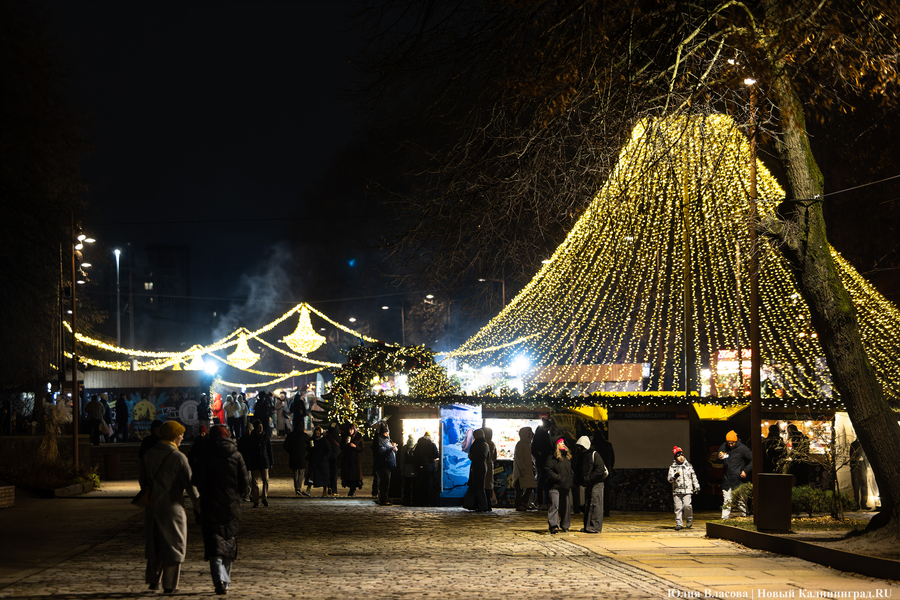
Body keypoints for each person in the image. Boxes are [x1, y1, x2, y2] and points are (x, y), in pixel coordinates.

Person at [139, 420, 199, 594]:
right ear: (173, 436)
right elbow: (189, 483)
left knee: (155, 544)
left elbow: (143, 482)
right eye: (180, 434)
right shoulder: (178, 457)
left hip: (152, 507)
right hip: (173, 508)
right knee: (173, 546)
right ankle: (169, 584)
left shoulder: (149, 455)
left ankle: (152, 580)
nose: (182, 437)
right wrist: (197, 502)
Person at [192, 425, 250, 595]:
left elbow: (197, 479)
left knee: (214, 543)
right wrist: (236, 496)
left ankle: (220, 580)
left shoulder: (205, 455)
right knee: (229, 542)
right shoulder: (236, 455)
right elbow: (244, 483)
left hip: (210, 504)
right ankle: (225, 579)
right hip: (231, 506)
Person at [576, 435, 607, 533]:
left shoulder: (594, 454)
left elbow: (600, 470)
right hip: (590, 483)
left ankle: (595, 527)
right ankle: (588, 526)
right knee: (589, 504)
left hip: (597, 483)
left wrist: (588, 479)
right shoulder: (583, 456)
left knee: (595, 504)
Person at [719, 430, 752, 519]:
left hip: (738, 479)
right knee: (727, 500)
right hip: (727, 480)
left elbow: (753, 459)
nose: (731, 445)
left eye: (732, 443)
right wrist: (719, 457)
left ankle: (745, 517)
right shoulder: (724, 446)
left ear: (736, 441)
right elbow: (717, 457)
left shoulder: (742, 448)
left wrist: (745, 470)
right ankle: (724, 518)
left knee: (741, 500)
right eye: (729, 443)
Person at [544, 437, 574, 534]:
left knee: (566, 507)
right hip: (555, 486)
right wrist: (558, 477)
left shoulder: (568, 458)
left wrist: (570, 478)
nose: (563, 444)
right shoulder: (552, 458)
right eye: (561, 442)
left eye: (563, 442)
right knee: (554, 505)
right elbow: (548, 471)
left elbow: (571, 471)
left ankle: (565, 525)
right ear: (556, 445)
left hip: (565, 486)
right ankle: (554, 525)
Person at [667, 445, 700, 531]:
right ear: (675, 457)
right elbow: (669, 479)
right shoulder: (672, 467)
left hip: (687, 490)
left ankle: (689, 520)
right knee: (678, 508)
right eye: (678, 456)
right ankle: (679, 523)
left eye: (682, 455)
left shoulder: (688, 466)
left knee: (687, 506)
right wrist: (675, 476)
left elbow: (693, 476)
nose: (681, 457)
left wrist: (696, 486)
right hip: (677, 491)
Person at [246, 421, 273, 508]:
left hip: (264, 461)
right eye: (259, 426)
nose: (261, 428)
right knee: (255, 482)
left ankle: (264, 497)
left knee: (266, 480)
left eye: (262, 426)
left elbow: (269, 449)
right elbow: (249, 451)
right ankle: (256, 499)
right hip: (255, 462)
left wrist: (270, 461)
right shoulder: (252, 437)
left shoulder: (265, 436)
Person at [463, 429, 490, 512]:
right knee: (479, 486)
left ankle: (479, 505)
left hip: (476, 466)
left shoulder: (475, 444)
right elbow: (487, 456)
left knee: (476, 486)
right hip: (481, 466)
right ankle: (481, 505)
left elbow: (471, 456)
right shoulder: (484, 444)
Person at [372, 421, 397, 506]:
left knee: (385, 482)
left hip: (386, 464)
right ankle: (383, 499)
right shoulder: (380, 440)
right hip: (383, 464)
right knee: (384, 482)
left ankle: (384, 498)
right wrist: (391, 448)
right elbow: (381, 451)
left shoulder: (384, 439)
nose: (387, 434)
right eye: (386, 432)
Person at [513, 427, 537, 511]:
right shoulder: (520, 444)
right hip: (521, 470)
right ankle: (519, 503)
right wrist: (522, 468)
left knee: (530, 485)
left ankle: (524, 501)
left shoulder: (527, 445)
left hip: (527, 469)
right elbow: (519, 457)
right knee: (519, 487)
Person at [284, 421, 311, 496]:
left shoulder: (291, 435)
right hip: (303, 457)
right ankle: (299, 486)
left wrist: (290, 451)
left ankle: (297, 488)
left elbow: (285, 446)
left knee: (295, 473)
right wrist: (306, 452)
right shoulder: (305, 436)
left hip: (293, 457)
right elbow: (310, 446)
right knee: (301, 472)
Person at [412, 431, 439, 506]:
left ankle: (421, 501)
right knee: (429, 485)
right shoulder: (432, 445)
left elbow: (415, 454)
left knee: (421, 485)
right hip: (429, 467)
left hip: (420, 467)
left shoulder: (418, 445)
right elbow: (436, 455)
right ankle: (428, 502)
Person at [531, 417, 553, 509]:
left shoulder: (539, 434)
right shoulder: (543, 435)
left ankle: (541, 502)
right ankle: (543, 502)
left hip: (541, 461)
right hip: (543, 461)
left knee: (541, 482)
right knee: (543, 482)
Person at [593, 428, 615, 516]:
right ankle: (607, 510)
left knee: (596, 491)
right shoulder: (608, 445)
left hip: (596, 471)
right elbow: (612, 458)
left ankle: (597, 510)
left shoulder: (594, 445)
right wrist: (610, 468)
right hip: (607, 470)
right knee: (606, 491)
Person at [306, 425, 332, 497]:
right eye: (316, 433)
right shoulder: (312, 439)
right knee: (311, 476)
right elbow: (308, 449)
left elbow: (329, 451)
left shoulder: (324, 440)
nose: (317, 435)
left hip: (322, 463)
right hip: (314, 461)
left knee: (324, 477)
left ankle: (324, 491)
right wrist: (310, 447)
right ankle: (308, 489)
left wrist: (324, 458)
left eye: (318, 433)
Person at [341, 423, 365, 497]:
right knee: (348, 475)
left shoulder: (358, 436)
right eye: (349, 429)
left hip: (355, 459)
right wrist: (346, 444)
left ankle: (353, 490)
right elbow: (341, 446)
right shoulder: (345, 436)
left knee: (355, 475)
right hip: (347, 459)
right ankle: (350, 489)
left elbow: (361, 448)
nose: (350, 431)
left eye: (351, 429)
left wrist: (355, 446)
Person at [849, 439, 870, 510]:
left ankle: (864, 503)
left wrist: (866, 465)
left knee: (864, 484)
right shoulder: (853, 444)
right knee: (856, 485)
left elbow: (867, 455)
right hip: (855, 466)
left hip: (863, 465)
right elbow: (852, 456)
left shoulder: (866, 443)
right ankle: (856, 504)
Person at [400, 434, 417, 505]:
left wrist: (402, 470)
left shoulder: (404, 448)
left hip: (406, 470)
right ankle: (414, 500)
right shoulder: (416, 447)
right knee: (414, 486)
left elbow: (402, 459)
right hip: (415, 470)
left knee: (407, 486)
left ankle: (406, 501)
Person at [325, 425, 342, 496]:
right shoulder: (339, 437)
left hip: (328, 458)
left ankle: (329, 487)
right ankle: (334, 490)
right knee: (334, 475)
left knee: (329, 473)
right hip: (336, 458)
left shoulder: (327, 437)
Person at [483, 427, 498, 506]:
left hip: (483, 465)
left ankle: (484, 503)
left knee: (483, 484)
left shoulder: (483, 443)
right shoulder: (492, 443)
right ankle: (488, 503)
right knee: (489, 484)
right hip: (490, 466)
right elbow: (495, 457)